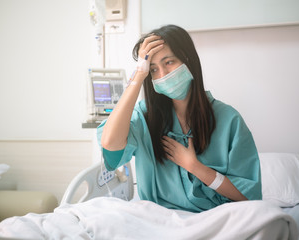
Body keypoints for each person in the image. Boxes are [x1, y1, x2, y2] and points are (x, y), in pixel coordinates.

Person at [97, 24, 261, 212]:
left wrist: (196, 167)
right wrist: (138, 75)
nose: (163, 74)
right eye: (153, 69)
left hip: (215, 218)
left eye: (169, 62)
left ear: (188, 60)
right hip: (160, 219)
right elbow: (109, 144)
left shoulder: (228, 119)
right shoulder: (144, 117)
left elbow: (249, 197)